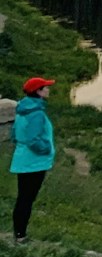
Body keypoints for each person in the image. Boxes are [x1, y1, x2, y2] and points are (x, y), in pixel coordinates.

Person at [11, 76, 56, 243]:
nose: (48, 89)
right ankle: (21, 236)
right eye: (45, 87)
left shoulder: (23, 109)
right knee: (26, 199)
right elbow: (33, 139)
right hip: (34, 162)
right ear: (38, 92)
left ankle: (18, 233)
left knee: (23, 197)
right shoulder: (36, 113)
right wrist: (46, 149)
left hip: (22, 159)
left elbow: (14, 134)